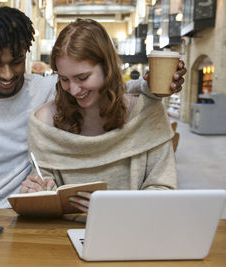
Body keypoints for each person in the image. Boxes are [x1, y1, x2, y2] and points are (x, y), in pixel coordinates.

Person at [0, 6, 186, 220]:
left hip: (30, 216)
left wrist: (150, 87)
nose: (7, 75)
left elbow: (104, 92)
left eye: (17, 62)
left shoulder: (47, 89)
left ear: (26, 54)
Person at [21, 19, 178, 213]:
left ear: (107, 68)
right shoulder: (44, 121)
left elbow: (164, 190)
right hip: (61, 235)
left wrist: (115, 210)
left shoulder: (147, 113)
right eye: (64, 79)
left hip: (133, 232)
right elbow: (44, 185)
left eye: (82, 77)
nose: (74, 90)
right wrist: (36, 192)